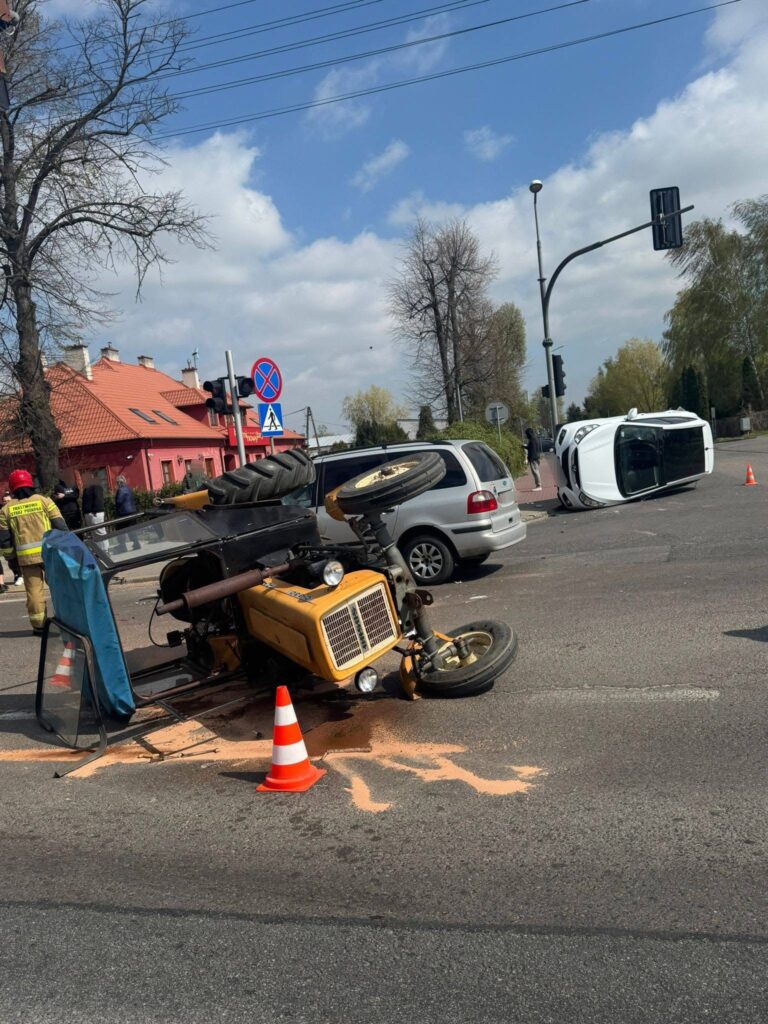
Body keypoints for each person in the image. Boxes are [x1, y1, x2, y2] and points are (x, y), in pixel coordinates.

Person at [0, 469, 68, 634]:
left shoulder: (6, 510)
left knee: (34, 591)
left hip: (26, 559)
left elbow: (4, 540)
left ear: (13, 488)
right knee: (60, 586)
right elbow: (60, 526)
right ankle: (68, 621)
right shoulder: (44, 501)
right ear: (31, 484)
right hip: (50, 553)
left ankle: (39, 626)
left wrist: (10, 558)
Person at [1, 490, 23, 587]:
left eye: (8, 501)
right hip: (6, 540)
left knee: (19, 558)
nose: (6, 503)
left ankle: (21, 575)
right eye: (5, 501)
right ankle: (16, 574)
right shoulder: (2, 512)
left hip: (17, 537)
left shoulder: (16, 509)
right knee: (10, 560)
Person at [113, 475, 140, 552]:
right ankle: (136, 543)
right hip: (132, 511)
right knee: (132, 529)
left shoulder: (120, 490)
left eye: (117, 482)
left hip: (124, 513)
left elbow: (118, 501)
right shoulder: (129, 488)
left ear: (118, 483)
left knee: (119, 529)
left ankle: (122, 546)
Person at [82, 479, 106, 548]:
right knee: (94, 533)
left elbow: (98, 499)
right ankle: (100, 550)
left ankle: (105, 549)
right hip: (89, 513)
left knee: (100, 532)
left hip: (95, 513)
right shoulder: (87, 488)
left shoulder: (96, 486)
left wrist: (95, 511)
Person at [525, 427, 542, 492]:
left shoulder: (532, 440)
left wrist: (531, 459)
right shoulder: (534, 439)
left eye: (527, 434)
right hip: (535, 458)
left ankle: (539, 485)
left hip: (533, 459)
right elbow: (530, 448)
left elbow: (533, 450)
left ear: (529, 433)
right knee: (535, 472)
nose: (526, 435)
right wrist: (524, 447)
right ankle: (538, 485)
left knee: (535, 472)